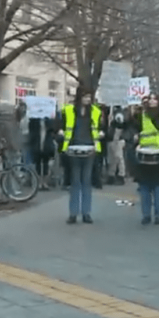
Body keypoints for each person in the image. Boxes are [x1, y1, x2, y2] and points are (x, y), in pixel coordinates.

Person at [60, 87, 102, 224]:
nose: (88, 100)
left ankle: (86, 213)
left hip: (90, 148)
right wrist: (60, 133)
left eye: (89, 97)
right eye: (85, 97)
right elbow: (59, 126)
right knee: (75, 182)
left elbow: (101, 128)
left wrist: (102, 134)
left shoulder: (96, 112)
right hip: (73, 148)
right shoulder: (68, 110)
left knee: (87, 182)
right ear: (79, 97)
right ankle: (73, 213)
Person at [133, 93, 159, 225]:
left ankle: (158, 215)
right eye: (150, 99)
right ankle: (146, 215)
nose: (152, 101)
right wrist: (135, 137)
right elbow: (134, 129)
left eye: (155, 98)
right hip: (144, 155)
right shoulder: (142, 116)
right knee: (144, 187)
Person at [106, 106, 127, 185]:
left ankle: (121, 175)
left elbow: (120, 124)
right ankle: (111, 175)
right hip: (110, 138)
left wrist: (113, 120)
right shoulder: (109, 110)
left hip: (117, 138)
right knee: (112, 158)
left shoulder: (120, 112)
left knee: (118, 157)